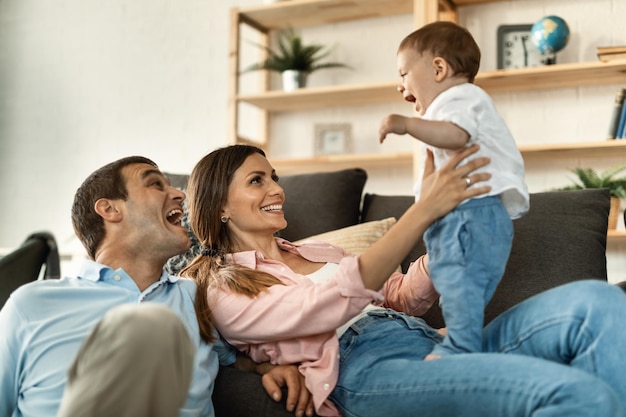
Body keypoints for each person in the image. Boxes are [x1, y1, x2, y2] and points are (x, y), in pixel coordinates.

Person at [181, 143, 626, 417]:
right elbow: (321, 308)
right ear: (219, 204)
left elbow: (396, 300)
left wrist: (442, 251)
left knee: (596, 303)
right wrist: (420, 212)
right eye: (257, 181)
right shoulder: (220, 284)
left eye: (274, 177)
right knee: (576, 394)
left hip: (431, 341)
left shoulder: (320, 251)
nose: (276, 189)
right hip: (365, 371)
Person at [0, 156, 314, 417]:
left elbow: (235, 356)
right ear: (110, 210)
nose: (179, 194)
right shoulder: (31, 304)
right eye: (155, 184)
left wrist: (265, 368)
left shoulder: (197, 298)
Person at [378, 21, 529, 359]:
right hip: (471, 216)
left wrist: (406, 124)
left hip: (468, 215)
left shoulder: (458, 98)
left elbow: (455, 136)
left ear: (439, 68)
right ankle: (466, 340)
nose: (399, 84)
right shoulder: (454, 103)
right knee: (460, 287)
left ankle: (460, 345)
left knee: (460, 285)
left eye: (404, 74)